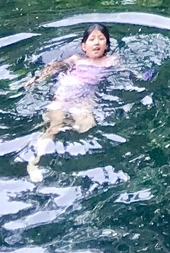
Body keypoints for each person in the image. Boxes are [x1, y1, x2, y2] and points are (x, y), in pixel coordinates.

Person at [25, 22, 123, 180]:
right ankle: (34, 163)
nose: (97, 42)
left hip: (85, 98)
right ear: (84, 46)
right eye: (92, 39)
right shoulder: (77, 59)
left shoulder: (111, 61)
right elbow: (54, 67)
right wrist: (36, 79)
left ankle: (67, 128)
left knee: (86, 126)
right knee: (53, 127)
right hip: (64, 95)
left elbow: (126, 73)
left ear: (107, 45)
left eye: (101, 39)